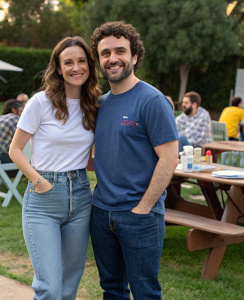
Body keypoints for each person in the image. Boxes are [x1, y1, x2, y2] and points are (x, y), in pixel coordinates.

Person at [90, 21, 179, 299]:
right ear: (100, 60)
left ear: (135, 56)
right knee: (112, 290)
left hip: (140, 216)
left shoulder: (152, 100)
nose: (112, 58)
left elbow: (169, 158)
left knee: (145, 292)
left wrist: (143, 208)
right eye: (105, 53)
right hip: (101, 213)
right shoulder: (100, 104)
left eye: (120, 51)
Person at [9, 36, 101, 299]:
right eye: (68, 62)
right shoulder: (40, 102)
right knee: (49, 287)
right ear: (58, 68)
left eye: (81, 61)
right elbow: (15, 150)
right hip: (43, 198)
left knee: (70, 283)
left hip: (82, 195)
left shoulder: (94, 104)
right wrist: (40, 181)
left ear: (89, 65)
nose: (76, 67)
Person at [0, 99, 23, 164]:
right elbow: (23, 139)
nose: (22, 114)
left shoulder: (0, 118)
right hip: (0, 157)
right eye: (21, 111)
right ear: (14, 110)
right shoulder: (15, 119)